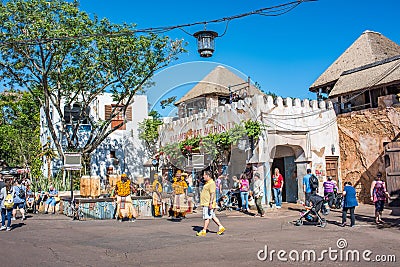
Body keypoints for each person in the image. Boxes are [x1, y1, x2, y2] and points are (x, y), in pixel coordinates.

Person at [196, 170, 225, 236]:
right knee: (212, 216)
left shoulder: (211, 183)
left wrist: (210, 203)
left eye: (204, 175)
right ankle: (221, 227)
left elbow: (212, 193)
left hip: (208, 203)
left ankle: (204, 230)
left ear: (207, 176)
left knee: (207, 217)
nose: (203, 176)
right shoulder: (207, 183)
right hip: (206, 202)